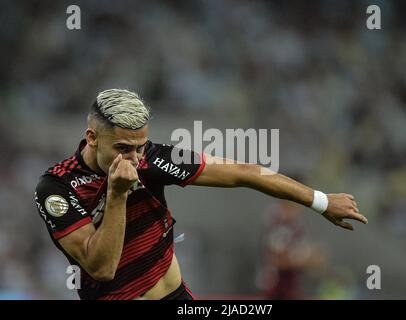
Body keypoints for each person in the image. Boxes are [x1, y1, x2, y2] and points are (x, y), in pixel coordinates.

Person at [34, 89, 368, 300]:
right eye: (123, 148)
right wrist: (118, 194)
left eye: (139, 147)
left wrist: (321, 201)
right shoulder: (57, 188)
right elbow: (102, 268)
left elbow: (244, 172)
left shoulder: (152, 158)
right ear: (92, 137)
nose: (134, 158)